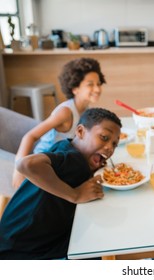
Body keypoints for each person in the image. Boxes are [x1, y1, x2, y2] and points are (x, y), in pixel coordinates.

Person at [0, 108, 121, 259]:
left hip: (12, 238)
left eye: (115, 144)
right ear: (80, 131)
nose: (110, 147)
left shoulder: (66, 147)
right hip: (23, 250)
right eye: (104, 137)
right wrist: (75, 195)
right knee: (97, 243)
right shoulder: (73, 159)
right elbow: (25, 165)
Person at [12, 57, 106, 188]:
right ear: (75, 88)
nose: (97, 89)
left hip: (61, 160)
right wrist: (18, 170)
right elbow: (30, 136)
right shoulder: (65, 113)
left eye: (99, 83)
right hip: (43, 164)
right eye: (90, 84)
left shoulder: (86, 110)